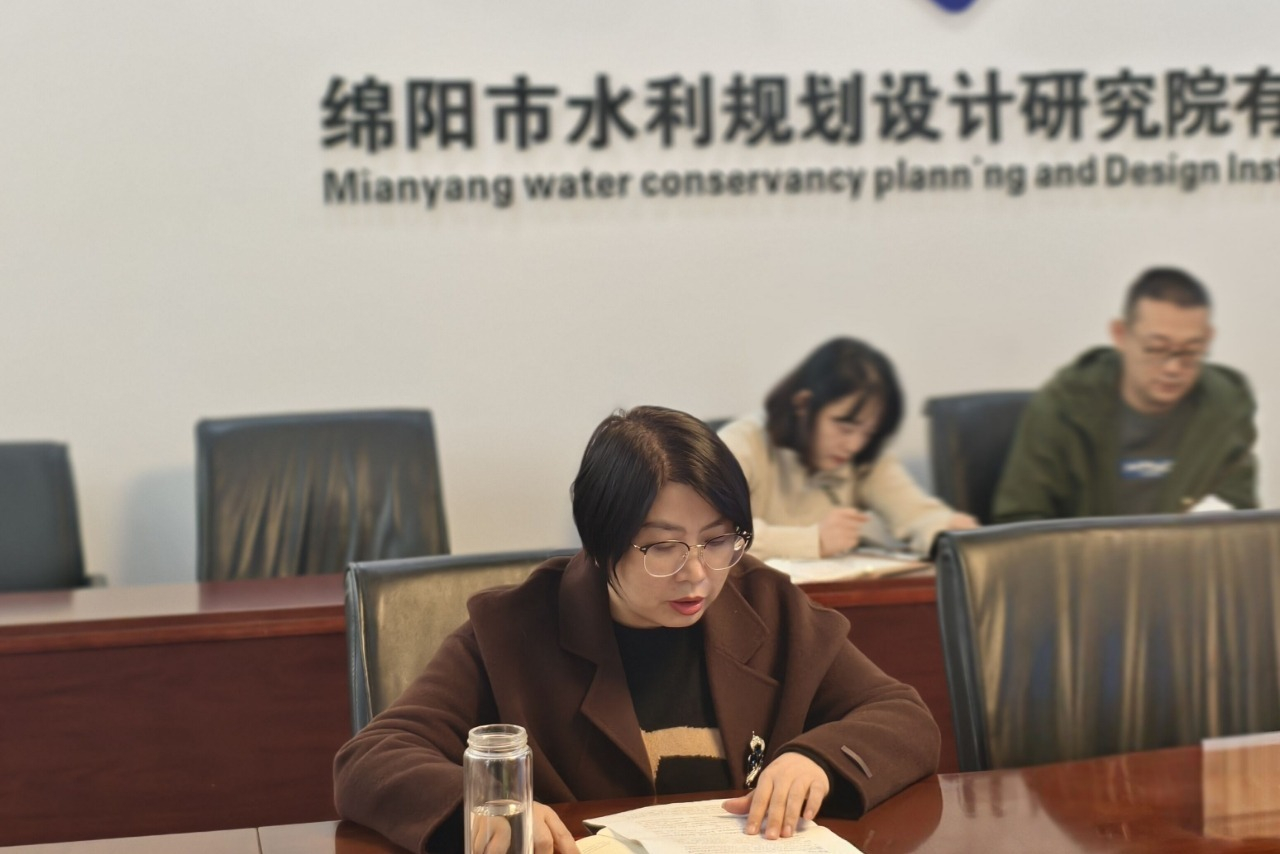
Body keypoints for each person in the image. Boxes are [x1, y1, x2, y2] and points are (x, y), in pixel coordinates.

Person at [333, 406, 940, 854]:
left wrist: (817, 760)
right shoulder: (512, 629)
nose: (697, 573)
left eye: (718, 540)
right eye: (662, 547)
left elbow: (901, 715)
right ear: (601, 546)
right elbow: (371, 759)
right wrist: (485, 807)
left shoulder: (765, 602)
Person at [993, 267, 1258, 522]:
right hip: (1084, 554)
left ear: (1208, 339)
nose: (1173, 368)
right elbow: (1020, 519)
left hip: (1189, 554)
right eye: (1156, 348)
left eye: (1191, 351)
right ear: (1121, 335)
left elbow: (1241, 518)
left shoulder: (1227, 407)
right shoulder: (1065, 406)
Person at [717, 338, 977, 561]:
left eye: (868, 432)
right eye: (845, 427)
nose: (854, 445)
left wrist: (945, 529)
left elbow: (914, 512)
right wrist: (813, 540)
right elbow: (714, 536)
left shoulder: (865, 456)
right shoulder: (741, 444)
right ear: (803, 404)